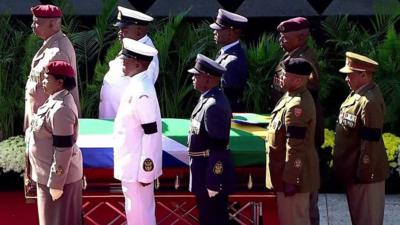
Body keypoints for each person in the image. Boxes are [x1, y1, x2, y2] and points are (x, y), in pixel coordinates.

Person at [272, 17, 324, 225]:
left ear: (301, 37)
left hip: (301, 132)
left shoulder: (305, 61)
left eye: (285, 37)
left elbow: (303, 97)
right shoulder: (291, 55)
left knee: (304, 199)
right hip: (290, 126)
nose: (280, 40)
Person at [333, 52, 389, 225]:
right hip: (355, 173)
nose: (346, 79)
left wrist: (364, 172)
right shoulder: (358, 94)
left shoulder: (369, 101)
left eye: (350, 74)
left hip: (365, 175)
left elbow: (370, 142)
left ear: (364, 74)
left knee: (367, 219)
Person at [26, 60, 83, 225]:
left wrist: (57, 183)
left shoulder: (61, 108)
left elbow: (63, 148)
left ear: (59, 82)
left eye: (46, 78)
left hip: (58, 180)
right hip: (47, 177)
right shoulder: (54, 101)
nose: (43, 82)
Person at [113, 38, 162, 225]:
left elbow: (151, 133)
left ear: (138, 63)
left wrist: (146, 171)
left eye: (126, 59)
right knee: (135, 214)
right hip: (131, 165)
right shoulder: (135, 85)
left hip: (137, 169)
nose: (122, 63)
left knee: (140, 215)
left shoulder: (142, 91)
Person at [265, 58, 320, 225]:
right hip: (285, 175)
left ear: (298, 80)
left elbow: (295, 146)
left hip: (292, 178)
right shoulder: (289, 97)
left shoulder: (298, 105)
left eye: (285, 75)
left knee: (294, 220)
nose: (281, 77)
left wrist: (291, 179)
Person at [187, 54, 234, 225]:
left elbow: (219, 148)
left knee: (213, 219)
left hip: (210, 176)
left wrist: (214, 181)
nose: (193, 78)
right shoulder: (207, 99)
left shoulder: (214, 105)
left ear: (208, 78)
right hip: (203, 174)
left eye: (196, 75)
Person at [25, 4, 80, 131]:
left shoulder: (58, 50)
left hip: (50, 124)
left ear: (52, 24)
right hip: (40, 118)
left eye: (37, 23)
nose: (33, 26)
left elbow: (60, 92)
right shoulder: (50, 44)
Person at [99, 6, 159, 119]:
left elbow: (142, 89)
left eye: (124, 30)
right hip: (113, 116)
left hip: (125, 120)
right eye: (120, 29)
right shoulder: (132, 45)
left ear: (139, 31)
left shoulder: (145, 53)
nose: (120, 33)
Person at [209, 9, 248, 112]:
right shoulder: (226, 53)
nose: (214, 32)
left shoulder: (232, 61)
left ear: (230, 32)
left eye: (218, 29)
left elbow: (228, 99)